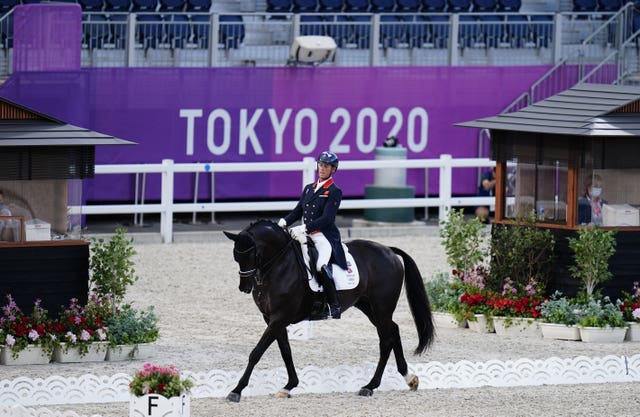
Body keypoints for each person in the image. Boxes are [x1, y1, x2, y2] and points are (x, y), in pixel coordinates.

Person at [278, 151, 347, 320]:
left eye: (326, 166)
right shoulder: (309, 188)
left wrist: (304, 228)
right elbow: (298, 211)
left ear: (333, 169)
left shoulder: (334, 191)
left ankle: (334, 305)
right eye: (321, 165)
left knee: (320, 265)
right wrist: (283, 222)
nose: (322, 169)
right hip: (306, 234)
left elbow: (327, 218)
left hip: (323, 236)